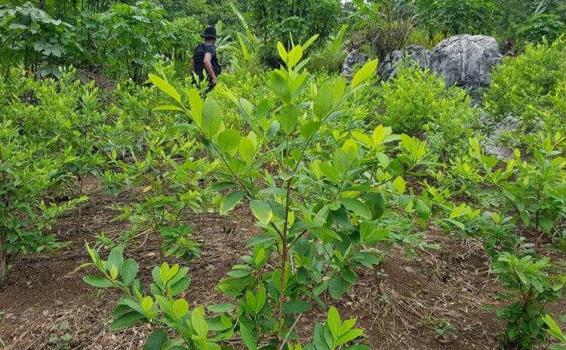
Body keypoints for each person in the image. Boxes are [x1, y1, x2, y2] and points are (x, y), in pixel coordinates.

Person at [192, 26, 222, 91]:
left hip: (197, 79)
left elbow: (192, 63)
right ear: (214, 39)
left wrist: (192, 76)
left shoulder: (198, 48)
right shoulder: (211, 48)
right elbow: (206, 61)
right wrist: (214, 78)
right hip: (207, 81)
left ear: (205, 38)